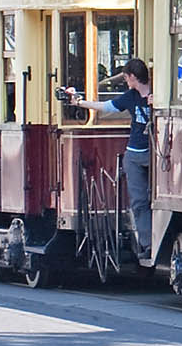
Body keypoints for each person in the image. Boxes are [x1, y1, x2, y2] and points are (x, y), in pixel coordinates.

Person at [61, 57, 154, 267]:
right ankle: (148, 243)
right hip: (134, 153)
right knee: (139, 202)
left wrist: (157, 104)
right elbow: (106, 106)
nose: (126, 82)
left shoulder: (157, 94)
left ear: (132, 76)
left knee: (154, 200)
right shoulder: (130, 96)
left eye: (126, 78)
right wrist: (80, 102)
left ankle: (153, 240)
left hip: (153, 153)